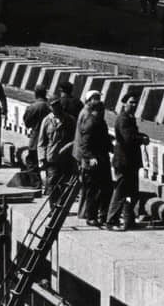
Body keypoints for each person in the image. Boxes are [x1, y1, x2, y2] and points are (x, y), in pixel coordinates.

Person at [104, 94, 147, 230]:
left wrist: (141, 136)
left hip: (130, 162)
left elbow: (132, 135)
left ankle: (129, 220)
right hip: (124, 162)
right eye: (131, 102)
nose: (134, 105)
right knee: (121, 192)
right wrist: (142, 139)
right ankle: (111, 221)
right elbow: (128, 138)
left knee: (132, 193)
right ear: (124, 104)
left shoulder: (129, 118)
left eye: (135, 103)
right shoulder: (123, 119)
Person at [73, 90, 111, 225]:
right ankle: (91, 216)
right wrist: (90, 157)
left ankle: (96, 215)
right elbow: (84, 144)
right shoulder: (90, 121)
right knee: (93, 189)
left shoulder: (98, 121)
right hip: (92, 160)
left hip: (99, 158)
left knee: (98, 188)